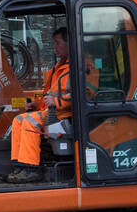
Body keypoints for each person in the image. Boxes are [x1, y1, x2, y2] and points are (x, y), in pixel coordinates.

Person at [8, 28, 98, 182]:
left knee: (29, 122)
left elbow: (86, 95)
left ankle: (31, 168)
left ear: (70, 43)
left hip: (65, 114)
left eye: (58, 43)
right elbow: (49, 93)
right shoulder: (59, 67)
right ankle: (20, 165)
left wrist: (56, 102)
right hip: (53, 112)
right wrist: (34, 104)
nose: (54, 47)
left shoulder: (84, 65)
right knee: (18, 120)